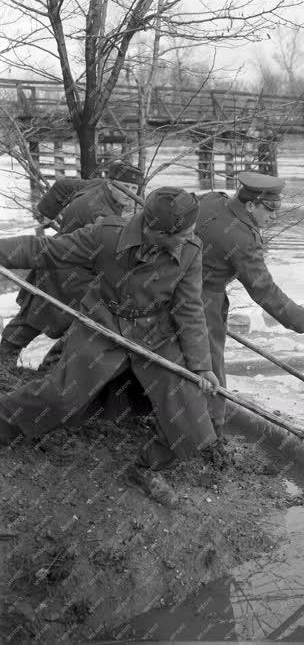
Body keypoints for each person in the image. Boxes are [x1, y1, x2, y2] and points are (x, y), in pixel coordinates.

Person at [0, 187, 220, 507]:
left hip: (157, 336)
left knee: (195, 424)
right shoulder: (106, 236)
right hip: (103, 325)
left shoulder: (190, 251)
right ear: (154, 231)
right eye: (183, 234)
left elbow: (189, 310)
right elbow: (45, 250)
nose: (189, 238)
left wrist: (201, 365)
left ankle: (147, 467)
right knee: (61, 397)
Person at [195, 171, 304, 433]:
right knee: (210, 363)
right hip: (202, 299)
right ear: (251, 205)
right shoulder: (242, 239)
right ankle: (212, 429)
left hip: (168, 283)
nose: (272, 217)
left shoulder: (213, 201)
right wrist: (301, 320)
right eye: (269, 210)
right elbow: (263, 290)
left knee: (189, 356)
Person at [0, 162, 144, 365]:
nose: (129, 194)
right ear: (111, 183)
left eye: (134, 189)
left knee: (36, 314)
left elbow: (63, 185)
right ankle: (44, 366)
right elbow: (107, 250)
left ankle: (26, 363)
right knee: (78, 321)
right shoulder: (100, 215)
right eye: (125, 187)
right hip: (67, 271)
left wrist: (45, 212)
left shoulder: (97, 184)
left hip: (61, 258)